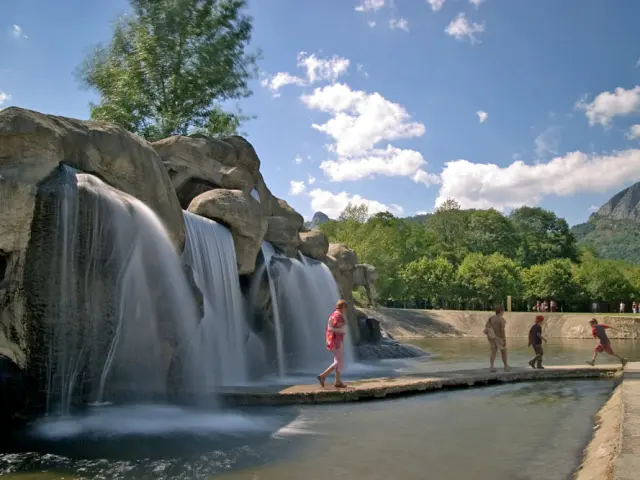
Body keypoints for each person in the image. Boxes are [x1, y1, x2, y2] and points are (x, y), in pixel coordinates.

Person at [317, 299, 349, 388]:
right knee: (339, 361)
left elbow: (331, 328)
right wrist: (342, 330)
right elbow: (337, 329)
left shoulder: (333, 315)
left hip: (331, 340)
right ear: (342, 307)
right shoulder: (338, 316)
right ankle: (323, 376)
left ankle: (337, 381)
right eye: (345, 308)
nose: (345, 310)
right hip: (336, 340)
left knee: (337, 360)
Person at [484, 306, 510, 372]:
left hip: (491, 337)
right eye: (503, 311)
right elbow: (502, 330)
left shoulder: (491, 318)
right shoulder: (501, 320)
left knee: (493, 352)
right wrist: (504, 340)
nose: (504, 312)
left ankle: (491, 366)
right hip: (499, 337)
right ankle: (506, 366)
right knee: (503, 351)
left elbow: (487, 327)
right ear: (501, 311)